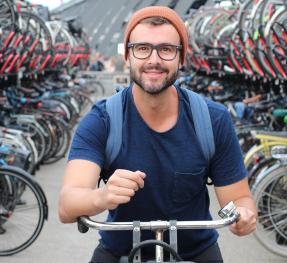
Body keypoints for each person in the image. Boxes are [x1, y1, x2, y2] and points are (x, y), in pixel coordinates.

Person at [58, 6, 257, 263]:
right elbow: (67, 205)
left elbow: (239, 198)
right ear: (128, 56)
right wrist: (102, 196)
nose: (154, 60)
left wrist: (244, 215)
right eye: (142, 48)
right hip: (120, 252)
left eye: (166, 49)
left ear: (181, 58)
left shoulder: (212, 120)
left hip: (195, 253)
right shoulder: (102, 120)